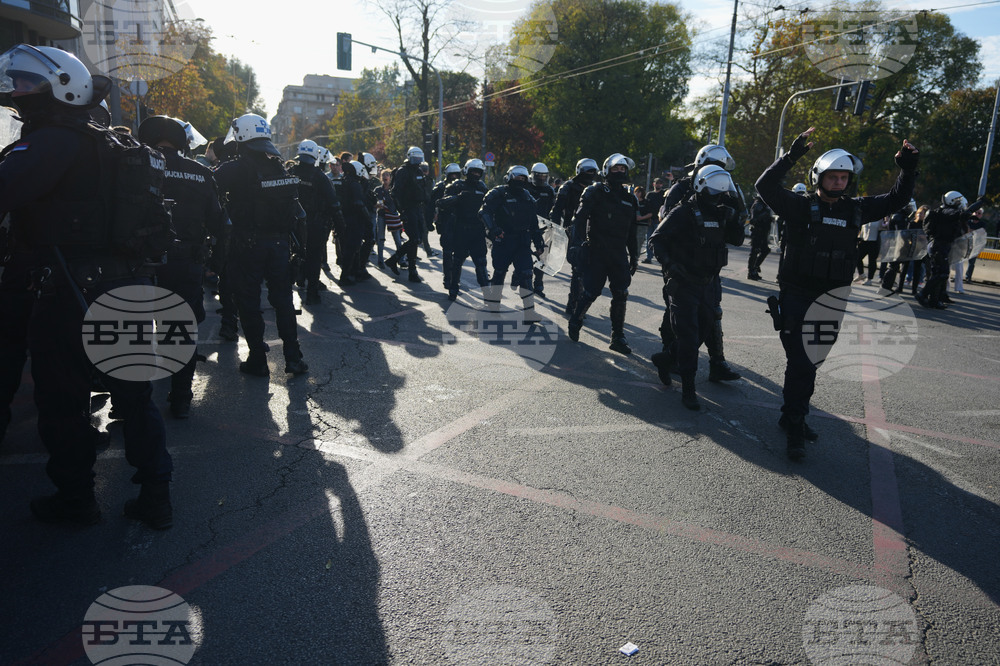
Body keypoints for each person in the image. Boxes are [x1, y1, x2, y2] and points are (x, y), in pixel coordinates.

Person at [0, 44, 173, 527]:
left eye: (26, 83)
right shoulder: (109, 143)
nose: (17, 91)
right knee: (136, 398)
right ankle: (157, 495)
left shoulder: (51, 141)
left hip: (70, 292)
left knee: (63, 400)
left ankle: (76, 499)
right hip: (128, 286)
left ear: (58, 87)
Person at [756, 127, 918, 460]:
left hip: (832, 299)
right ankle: (796, 426)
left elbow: (897, 200)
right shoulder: (799, 207)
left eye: (844, 177)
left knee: (809, 363)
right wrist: (791, 155)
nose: (839, 182)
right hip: (798, 294)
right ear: (819, 177)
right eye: (833, 176)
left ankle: (792, 415)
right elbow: (764, 187)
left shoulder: (855, 210)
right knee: (801, 361)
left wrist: (908, 168)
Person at [138, 116, 226, 418]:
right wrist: (215, 262)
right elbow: (218, 222)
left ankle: (130, 404)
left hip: (138, 262)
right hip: (185, 261)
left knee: (133, 329)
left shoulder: (134, 165)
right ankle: (181, 397)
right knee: (181, 329)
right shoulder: (201, 172)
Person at [213, 114, 308, 376]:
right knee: (283, 302)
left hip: (248, 246)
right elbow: (298, 212)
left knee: (249, 302)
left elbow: (209, 186)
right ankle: (293, 358)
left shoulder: (236, 167)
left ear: (241, 136)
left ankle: (258, 359)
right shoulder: (279, 167)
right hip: (279, 246)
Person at [650, 165, 746, 409]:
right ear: (702, 187)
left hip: (709, 284)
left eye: (723, 193)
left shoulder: (721, 213)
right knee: (689, 336)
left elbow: (737, 239)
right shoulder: (683, 212)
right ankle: (689, 390)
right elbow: (657, 240)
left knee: (703, 332)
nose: (719, 198)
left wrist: (737, 213)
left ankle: (667, 358)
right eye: (715, 193)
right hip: (684, 284)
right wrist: (671, 265)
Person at [566, 153, 639, 355]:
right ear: (607, 170)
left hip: (618, 254)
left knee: (621, 293)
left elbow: (632, 231)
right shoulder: (595, 191)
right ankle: (576, 318)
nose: (620, 172)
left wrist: (634, 255)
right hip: (596, 251)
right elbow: (578, 220)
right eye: (616, 168)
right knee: (591, 291)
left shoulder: (629, 198)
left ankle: (618, 337)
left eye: (623, 169)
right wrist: (577, 243)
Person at [479, 165, 543, 322]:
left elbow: (533, 222)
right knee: (500, 271)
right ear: (509, 178)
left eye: (523, 178)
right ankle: (494, 304)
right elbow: (484, 211)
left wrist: (539, 242)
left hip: (522, 241)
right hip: (503, 240)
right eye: (517, 178)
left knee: (526, 274)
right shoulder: (499, 193)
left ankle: (529, 312)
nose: (520, 181)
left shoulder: (527, 196)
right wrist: (493, 229)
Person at [288, 139, 343, 303]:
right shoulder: (320, 177)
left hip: (292, 224)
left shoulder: (290, 172)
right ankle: (312, 292)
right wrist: (341, 226)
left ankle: (290, 288)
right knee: (313, 257)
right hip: (315, 224)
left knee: (290, 255)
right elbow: (334, 203)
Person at [552, 158, 600, 317]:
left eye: (593, 171)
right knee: (578, 270)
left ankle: (579, 302)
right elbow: (557, 210)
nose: (590, 174)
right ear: (580, 171)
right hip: (573, 231)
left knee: (589, 271)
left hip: (593, 232)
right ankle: (573, 304)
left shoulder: (596, 188)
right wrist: (557, 230)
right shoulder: (567, 187)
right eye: (588, 171)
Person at [437, 159, 490, 300]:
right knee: (457, 261)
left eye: (478, 172)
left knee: (481, 262)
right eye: (473, 171)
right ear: (466, 171)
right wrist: (458, 198)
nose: (476, 174)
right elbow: (441, 203)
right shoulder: (457, 185)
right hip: (460, 229)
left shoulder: (483, 187)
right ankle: (453, 288)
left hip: (477, 230)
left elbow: (490, 208)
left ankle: (487, 294)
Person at [919, 191, 972, 307]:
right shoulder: (947, 211)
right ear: (952, 201)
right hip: (939, 245)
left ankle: (934, 300)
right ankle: (923, 294)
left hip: (939, 245)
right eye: (957, 201)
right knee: (941, 273)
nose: (959, 203)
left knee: (939, 273)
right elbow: (961, 215)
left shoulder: (943, 211)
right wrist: (978, 204)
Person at [386, 146, 428, 282]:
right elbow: (395, 193)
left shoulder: (419, 171)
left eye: (419, 158)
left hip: (417, 208)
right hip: (408, 209)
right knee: (414, 239)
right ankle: (411, 270)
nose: (417, 161)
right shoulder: (403, 172)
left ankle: (395, 260)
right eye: (415, 158)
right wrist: (401, 211)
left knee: (418, 239)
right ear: (410, 157)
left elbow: (423, 190)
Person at [525, 162, 556, 296]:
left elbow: (551, 208)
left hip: (542, 227)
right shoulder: (525, 187)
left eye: (544, 176)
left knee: (542, 256)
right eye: (539, 176)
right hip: (525, 226)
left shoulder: (549, 190)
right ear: (533, 175)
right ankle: (520, 277)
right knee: (523, 252)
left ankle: (538, 284)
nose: (542, 179)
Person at [432, 162, 462, 291]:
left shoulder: (462, 187)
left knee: (459, 254)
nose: (454, 177)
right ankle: (447, 278)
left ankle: (455, 277)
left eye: (456, 175)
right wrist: (429, 221)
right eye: (452, 175)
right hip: (445, 224)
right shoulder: (440, 187)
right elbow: (432, 204)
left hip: (460, 224)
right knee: (447, 252)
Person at [374, 169, 404, 269]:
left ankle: (401, 259)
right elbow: (373, 202)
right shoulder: (378, 190)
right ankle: (380, 260)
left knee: (397, 239)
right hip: (382, 215)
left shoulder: (394, 189)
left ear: (390, 178)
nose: (385, 177)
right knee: (380, 238)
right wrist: (376, 205)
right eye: (383, 175)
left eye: (387, 175)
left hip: (393, 216)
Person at [746, 195, 774, 280]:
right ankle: (751, 271)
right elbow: (754, 219)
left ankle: (755, 267)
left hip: (763, 232)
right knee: (755, 251)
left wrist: (769, 218)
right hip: (758, 231)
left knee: (765, 250)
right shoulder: (758, 204)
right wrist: (764, 216)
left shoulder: (764, 204)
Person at [643, 178, 667, 262]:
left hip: (660, 220)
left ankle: (660, 259)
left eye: (660, 183)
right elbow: (646, 207)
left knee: (658, 240)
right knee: (649, 240)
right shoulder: (649, 194)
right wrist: (647, 217)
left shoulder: (664, 194)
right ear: (653, 184)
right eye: (657, 183)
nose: (658, 185)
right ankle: (649, 257)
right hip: (650, 219)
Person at [965, 207, 985, 282]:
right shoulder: (968, 222)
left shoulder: (982, 224)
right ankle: (957, 276)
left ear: (981, 215)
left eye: (979, 213)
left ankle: (968, 277)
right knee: (959, 262)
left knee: (972, 262)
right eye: (976, 212)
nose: (977, 214)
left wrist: (971, 231)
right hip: (965, 243)